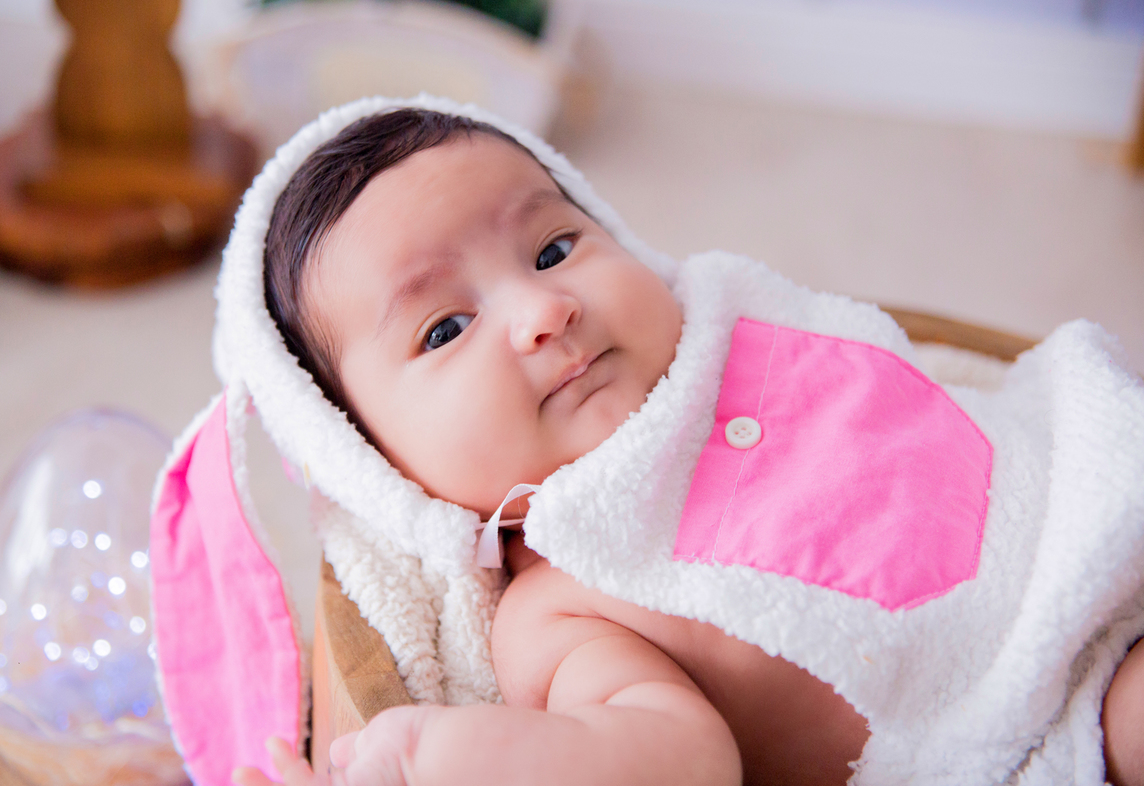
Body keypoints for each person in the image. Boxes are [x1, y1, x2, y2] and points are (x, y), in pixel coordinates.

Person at [162, 100, 1144, 786]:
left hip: (1096, 495)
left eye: (553, 248)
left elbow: (922, 391)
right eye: (445, 328)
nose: (545, 308)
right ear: (373, 463)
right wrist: (437, 754)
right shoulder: (564, 598)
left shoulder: (729, 326)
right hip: (1053, 709)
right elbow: (678, 758)